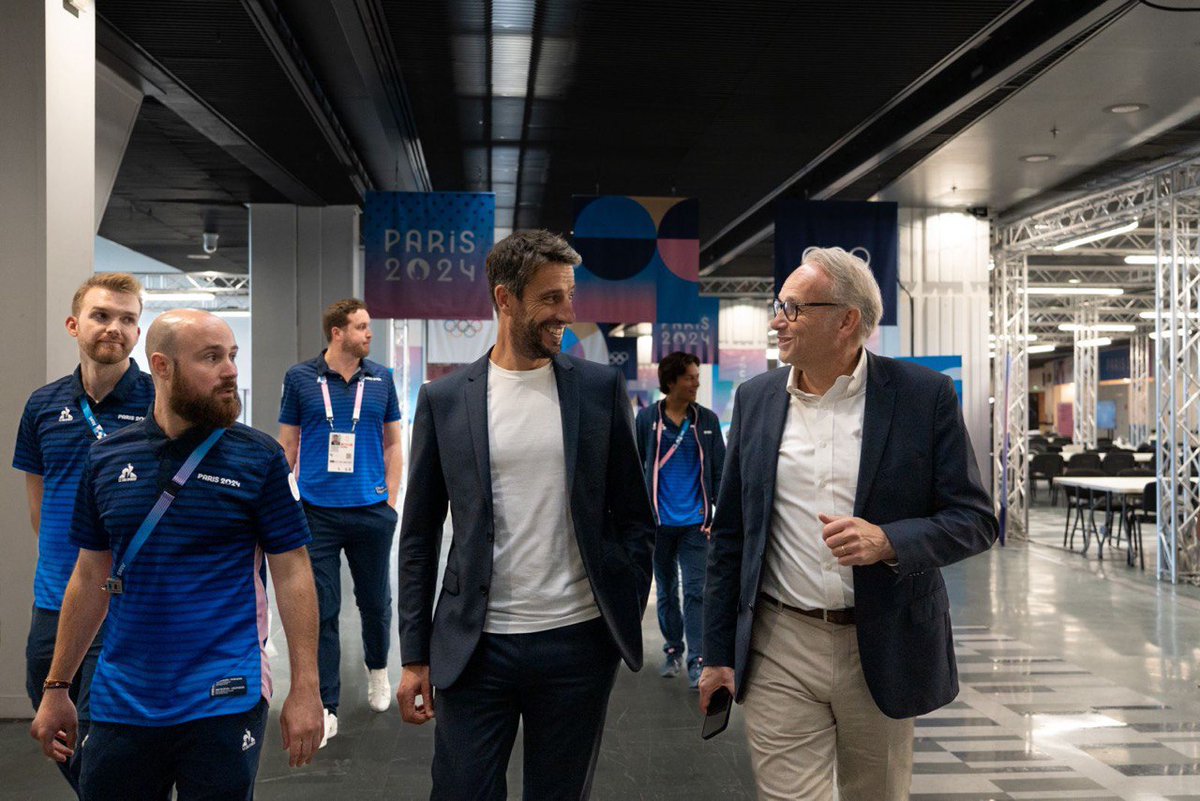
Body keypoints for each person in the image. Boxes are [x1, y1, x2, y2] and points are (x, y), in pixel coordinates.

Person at [699, 247, 998, 801]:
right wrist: (716, 652)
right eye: (779, 305)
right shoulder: (756, 399)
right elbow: (733, 536)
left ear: (846, 320)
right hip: (778, 640)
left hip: (881, 640)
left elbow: (976, 520)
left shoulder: (921, 397)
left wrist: (889, 541)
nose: (777, 319)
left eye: (792, 308)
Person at [396, 230, 656, 800]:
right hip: (474, 646)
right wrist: (414, 655)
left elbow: (635, 517)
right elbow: (416, 536)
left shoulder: (596, 389)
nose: (567, 312)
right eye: (550, 298)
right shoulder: (445, 400)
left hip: (577, 644)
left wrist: (620, 610)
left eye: (569, 295)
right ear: (505, 299)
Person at [30, 309, 324, 800]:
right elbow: (89, 576)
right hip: (123, 696)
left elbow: (293, 571)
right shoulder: (105, 459)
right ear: (162, 366)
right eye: (212, 358)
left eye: (231, 355)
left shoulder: (260, 458)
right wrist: (56, 687)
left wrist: (307, 688)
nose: (231, 370)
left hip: (225, 693)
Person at [12, 273, 154, 794]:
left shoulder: (163, 404)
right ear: (74, 325)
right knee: (51, 718)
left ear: (138, 333)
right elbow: (39, 504)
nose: (114, 327)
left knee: (104, 737)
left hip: (129, 602)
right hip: (54, 599)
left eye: (127, 319)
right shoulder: (43, 406)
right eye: (101, 315)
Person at [278, 298, 403, 745]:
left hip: (371, 512)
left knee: (375, 602)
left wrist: (389, 499)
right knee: (323, 610)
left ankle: (378, 669)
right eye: (362, 327)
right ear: (337, 333)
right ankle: (327, 704)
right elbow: (288, 444)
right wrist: (285, 501)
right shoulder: (300, 379)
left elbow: (393, 444)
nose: (370, 334)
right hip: (317, 513)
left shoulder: (382, 378)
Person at [635, 351, 724, 689]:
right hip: (658, 524)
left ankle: (697, 659)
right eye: (689, 377)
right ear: (671, 381)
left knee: (697, 591)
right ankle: (673, 648)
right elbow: (635, 467)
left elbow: (721, 471)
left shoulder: (708, 422)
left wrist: (718, 515)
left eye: (696, 377)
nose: (696, 383)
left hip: (695, 524)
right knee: (667, 591)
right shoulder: (647, 420)